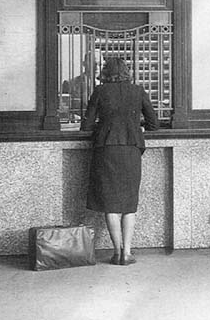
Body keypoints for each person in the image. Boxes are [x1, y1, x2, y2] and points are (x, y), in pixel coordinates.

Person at [80, 56, 158, 266]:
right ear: (127, 71)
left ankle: (116, 252)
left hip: (106, 150)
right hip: (131, 151)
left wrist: (104, 126)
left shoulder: (100, 91)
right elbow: (154, 123)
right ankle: (128, 253)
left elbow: (86, 125)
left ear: (105, 72)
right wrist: (135, 126)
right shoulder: (138, 91)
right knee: (129, 204)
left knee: (111, 204)